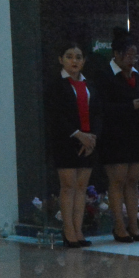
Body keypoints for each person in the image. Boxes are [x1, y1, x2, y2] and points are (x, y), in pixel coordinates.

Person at [95, 27, 139, 243]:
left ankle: (134, 226)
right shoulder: (104, 76)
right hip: (114, 136)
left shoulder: (138, 76)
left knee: (133, 181)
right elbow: (102, 108)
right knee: (117, 181)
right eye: (128, 55)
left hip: (136, 135)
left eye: (135, 55)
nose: (132, 60)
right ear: (117, 55)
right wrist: (131, 105)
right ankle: (119, 227)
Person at [43, 41, 101, 247]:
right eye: (69, 56)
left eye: (78, 57)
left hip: (88, 142)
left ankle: (79, 230)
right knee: (68, 187)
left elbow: (97, 113)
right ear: (61, 60)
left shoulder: (89, 85)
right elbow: (55, 116)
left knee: (82, 188)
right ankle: (68, 232)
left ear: (84, 61)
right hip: (66, 141)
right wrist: (78, 134)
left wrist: (91, 137)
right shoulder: (55, 84)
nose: (74, 61)